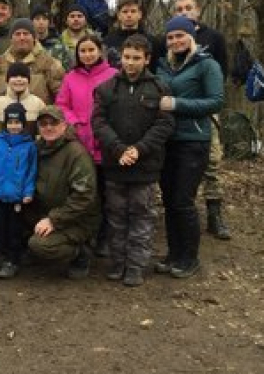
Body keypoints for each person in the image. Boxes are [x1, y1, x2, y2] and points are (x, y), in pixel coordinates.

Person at [91, 35, 175, 287]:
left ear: (147, 59)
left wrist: (139, 149)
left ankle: (136, 266)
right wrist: (118, 149)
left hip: (145, 166)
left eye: (136, 58)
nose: (130, 63)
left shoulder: (160, 88)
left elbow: (165, 123)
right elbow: (99, 122)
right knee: (116, 216)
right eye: (127, 57)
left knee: (142, 216)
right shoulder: (107, 88)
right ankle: (118, 263)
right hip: (115, 165)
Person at [155, 16, 224, 279]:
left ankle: (190, 258)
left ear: (191, 36)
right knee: (170, 201)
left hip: (193, 141)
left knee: (184, 200)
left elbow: (215, 102)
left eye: (180, 36)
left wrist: (176, 105)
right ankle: (174, 254)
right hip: (166, 141)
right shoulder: (163, 66)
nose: (175, 41)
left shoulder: (207, 65)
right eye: (170, 37)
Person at [173, 0, 230, 240]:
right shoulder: (172, 38)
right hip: (175, 111)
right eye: (179, 9)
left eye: (188, 8)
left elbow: (222, 73)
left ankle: (215, 214)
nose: (184, 12)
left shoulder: (213, 38)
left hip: (206, 109)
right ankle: (180, 214)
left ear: (198, 11)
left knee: (212, 161)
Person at [55, 34, 117, 254]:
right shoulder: (70, 77)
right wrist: (76, 122)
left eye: (92, 50)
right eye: (83, 51)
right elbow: (61, 104)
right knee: (85, 193)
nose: (88, 55)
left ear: (100, 51)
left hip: (107, 143)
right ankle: (86, 236)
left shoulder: (113, 75)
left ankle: (106, 237)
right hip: (80, 142)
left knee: (108, 192)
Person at [27, 106, 100, 278]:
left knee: (39, 245)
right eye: (43, 124)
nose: (48, 128)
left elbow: (83, 197)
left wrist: (53, 220)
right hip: (45, 210)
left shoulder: (76, 153)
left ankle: (80, 252)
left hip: (77, 219)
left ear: (64, 126)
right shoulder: (36, 148)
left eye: (54, 123)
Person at [0, 102, 37, 280]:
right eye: (10, 123)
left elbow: (31, 171)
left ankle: (12, 260)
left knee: (14, 230)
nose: (14, 126)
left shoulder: (29, 146)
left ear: (23, 124)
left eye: (17, 123)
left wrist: (28, 192)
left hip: (17, 198)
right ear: (5, 124)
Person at [0, 18, 65, 104]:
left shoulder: (50, 64)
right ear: (11, 39)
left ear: (34, 38)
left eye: (26, 34)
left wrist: (47, 114)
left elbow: (61, 96)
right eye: (17, 34)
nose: (22, 38)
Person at [0, 62, 45, 144]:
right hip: (4, 153)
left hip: (30, 152)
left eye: (23, 76)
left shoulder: (38, 103)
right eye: (14, 76)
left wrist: (35, 149)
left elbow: (42, 133)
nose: (19, 79)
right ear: (7, 80)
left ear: (29, 80)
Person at [103, 0, 161, 70]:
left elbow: (156, 69)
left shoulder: (152, 41)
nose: (129, 15)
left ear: (140, 14)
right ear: (119, 15)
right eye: (125, 12)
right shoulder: (108, 41)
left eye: (133, 11)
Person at [31, 4, 72, 70]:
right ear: (32, 22)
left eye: (44, 19)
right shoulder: (28, 45)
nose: (41, 22)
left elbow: (70, 72)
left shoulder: (60, 46)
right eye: (37, 19)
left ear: (49, 22)